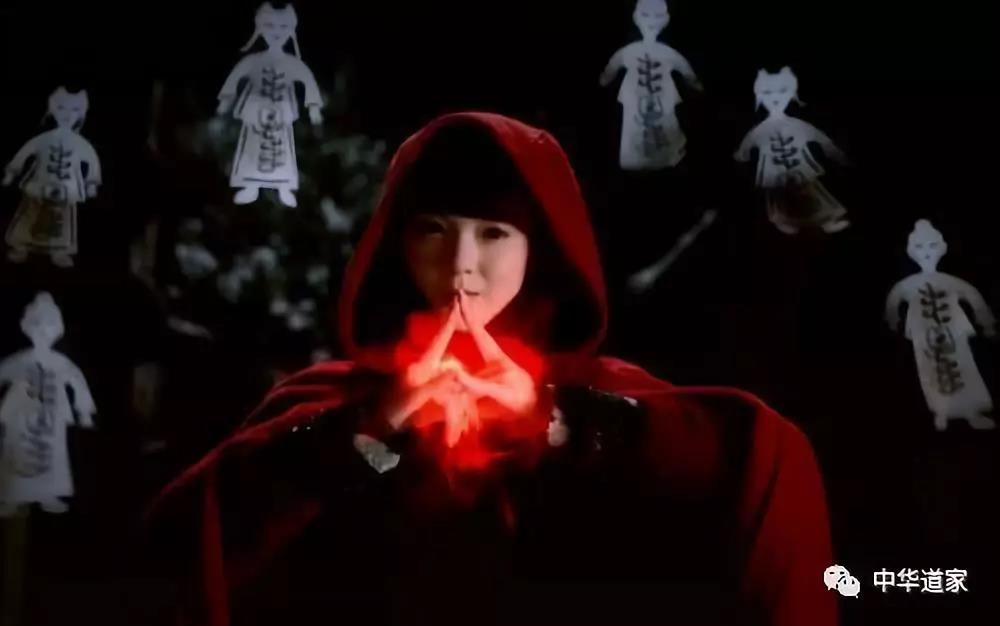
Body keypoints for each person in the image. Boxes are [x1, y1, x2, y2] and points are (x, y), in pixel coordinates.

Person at [148, 112, 837, 626]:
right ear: (398, 241)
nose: (461, 265)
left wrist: (555, 416)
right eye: (434, 229)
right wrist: (366, 427)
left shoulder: (601, 394)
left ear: (540, 248)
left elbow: (762, 462)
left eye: (494, 234)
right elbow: (182, 544)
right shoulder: (335, 399)